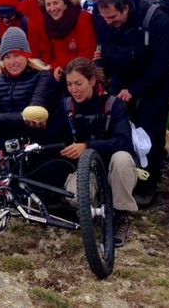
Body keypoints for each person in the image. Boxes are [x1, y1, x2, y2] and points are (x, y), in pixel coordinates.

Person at [96, 0, 169, 206]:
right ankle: (123, 176)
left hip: (156, 81)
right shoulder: (107, 23)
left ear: (126, 8)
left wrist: (134, 90)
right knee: (119, 128)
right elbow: (108, 54)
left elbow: (163, 61)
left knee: (149, 130)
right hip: (124, 76)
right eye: (105, 18)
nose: (109, 22)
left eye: (113, 17)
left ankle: (148, 184)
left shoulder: (157, 20)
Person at [48, 58, 138, 247]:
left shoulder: (113, 105)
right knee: (73, 196)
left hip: (113, 167)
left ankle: (121, 215)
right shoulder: (66, 107)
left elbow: (124, 142)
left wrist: (88, 146)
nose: (74, 90)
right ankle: (96, 210)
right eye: (69, 84)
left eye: (79, 83)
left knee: (123, 159)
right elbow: (55, 140)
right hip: (86, 170)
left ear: (92, 80)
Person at [0, 28, 58, 150]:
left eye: (16, 55)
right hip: (4, 145)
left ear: (27, 56)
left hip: (36, 144)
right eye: (7, 57)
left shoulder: (42, 76)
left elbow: (33, 114)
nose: (12, 62)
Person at [30, 0, 97, 81]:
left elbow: (87, 53)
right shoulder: (47, 24)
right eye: (48, 5)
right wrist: (55, 68)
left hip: (82, 74)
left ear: (65, 2)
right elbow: (47, 55)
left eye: (56, 3)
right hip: (59, 76)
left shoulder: (82, 18)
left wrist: (65, 69)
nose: (52, 8)